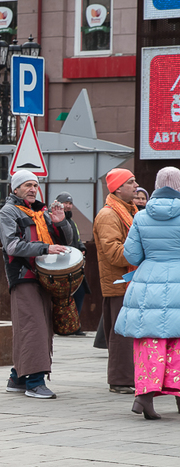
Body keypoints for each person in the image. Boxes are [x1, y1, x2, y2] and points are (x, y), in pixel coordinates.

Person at [0, 170, 72, 400]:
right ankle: (35, 382)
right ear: (15, 189)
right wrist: (45, 248)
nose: (32, 189)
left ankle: (17, 378)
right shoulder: (8, 212)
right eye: (27, 185)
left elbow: (66, 242)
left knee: (39, 328)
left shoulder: (42, 212)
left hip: (45, 277)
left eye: (35, 185)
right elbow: (12, 246)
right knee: (34, 329)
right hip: (24, 277)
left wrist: (61, 224)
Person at [115, 166, 180, 420]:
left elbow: (131, 255)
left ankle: (144, 397)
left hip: (148, 282)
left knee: (149, 342)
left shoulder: (141, 217)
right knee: (177, 342)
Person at [93, 168, 139, 395]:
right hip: (120, 283)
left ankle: (128, 377)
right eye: (131, 182)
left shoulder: (128, 211)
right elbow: (114, 253)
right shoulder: (108, 215)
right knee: (121, 335)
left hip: (128, 282)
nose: (136, 185)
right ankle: (120, 380)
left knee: (127, 333)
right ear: (118, 188)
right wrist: (143, 252)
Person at [55, 191, 91, 335]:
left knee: (80, 292)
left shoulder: (72, 222)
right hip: (61, 264)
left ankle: (75, 326)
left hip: (74, 265)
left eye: (70, 203)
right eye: (65, 203)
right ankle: (64, 326)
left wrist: (82, 249)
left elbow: (77, 239)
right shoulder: (54, 220)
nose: (68, 206)